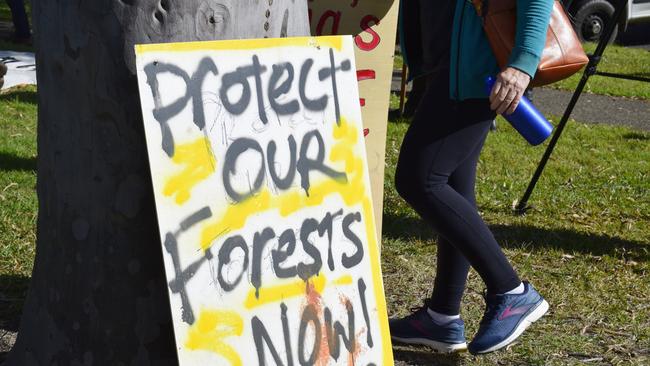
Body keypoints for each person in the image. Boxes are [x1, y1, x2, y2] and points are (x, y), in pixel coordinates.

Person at [389, 0, 553, 355]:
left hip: (477, 68)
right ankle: (442, 317)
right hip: (448, 63)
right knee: (452, 189)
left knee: (419, 179)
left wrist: (522, 64)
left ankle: (511, 293)